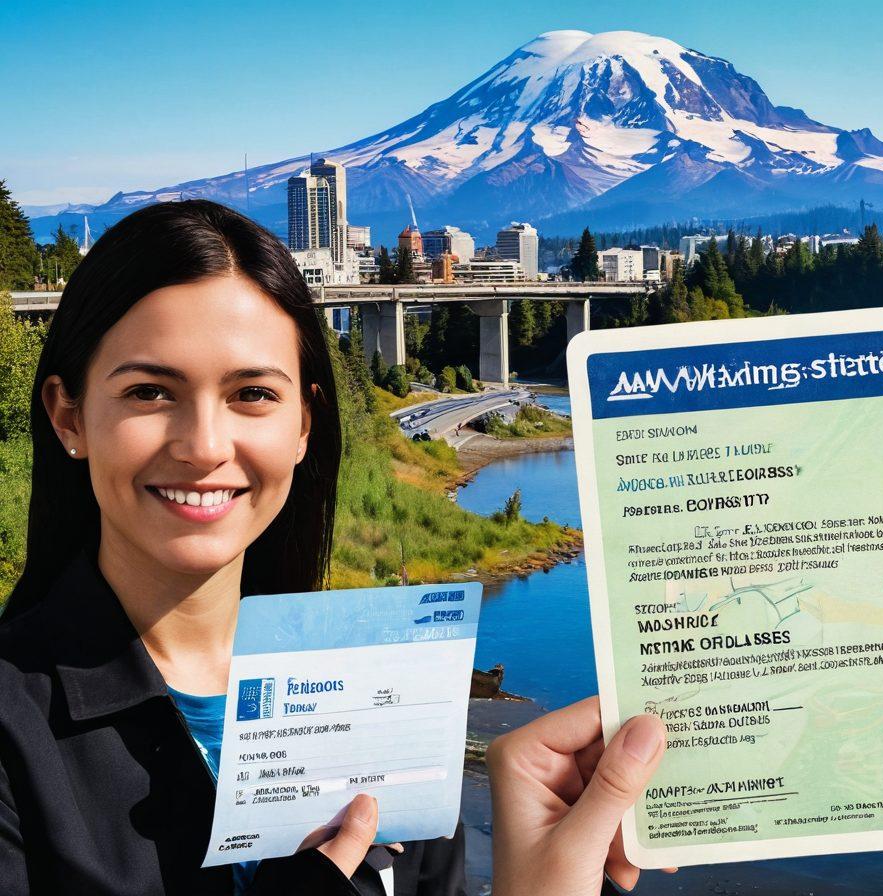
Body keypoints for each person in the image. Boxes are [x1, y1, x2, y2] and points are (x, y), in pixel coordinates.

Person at [0, 200, 666, 896]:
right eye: (149, 392)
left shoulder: (385, 710)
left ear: (303, 428)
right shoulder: (14, 738)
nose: (203, 446)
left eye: (252, 393)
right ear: (68, 415)